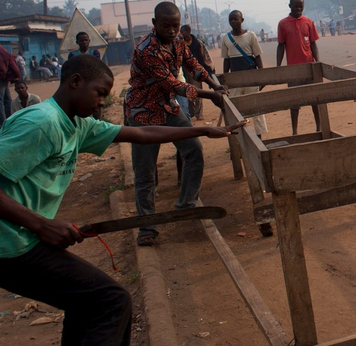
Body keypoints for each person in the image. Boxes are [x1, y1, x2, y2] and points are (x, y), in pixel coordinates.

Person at [0, 54, 244, 345]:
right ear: (76, 82)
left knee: (86, 302)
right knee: (112, 302)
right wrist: (42, 225)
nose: (102, 103)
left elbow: (141, 131)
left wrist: (202, 130)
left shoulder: (77, 125)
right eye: (99, 93)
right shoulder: (43, 123)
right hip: (10, 246)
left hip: (22, 239)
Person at [125, 2, 231, 247]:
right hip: (143, 113)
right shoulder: (147, 50)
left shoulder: (178, 41)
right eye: (166, 26)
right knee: (145, 173)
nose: (172, 30)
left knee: (194, 151)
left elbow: (193, 64)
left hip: (168, 107)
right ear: (155, 24)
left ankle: (186, 204)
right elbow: (173, 84)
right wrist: (209, 95)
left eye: (175, 25)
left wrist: (215, 85)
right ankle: (147, 227)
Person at [277, 0, 321, 135]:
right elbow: (281, 46)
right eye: (296, 6)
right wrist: (278, 67)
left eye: (301, 7)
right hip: (293, 69)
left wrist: (318, 62)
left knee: (315, 99)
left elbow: (313, 44)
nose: (298, 9)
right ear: (290, 6)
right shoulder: (283, 24)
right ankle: (295, 131)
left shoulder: (308, 22)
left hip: (309, 67)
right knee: (294, 102)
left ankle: (319, 127)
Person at [220, 11, 268, 139]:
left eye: (235, 19)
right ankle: (240, 138)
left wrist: (262, 76)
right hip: (234, 79)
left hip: (251, 78)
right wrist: (225, 79)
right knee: (236, 110)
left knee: (256, 108)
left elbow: (257, 56)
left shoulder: (251, 36)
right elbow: (226, 60)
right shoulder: (226, 38)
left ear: (242, 20)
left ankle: (259, 137)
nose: (233, 22)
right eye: (231, 19)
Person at [180, 24, 216, 121]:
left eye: (183, 31)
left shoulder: (197, 43)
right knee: (187, 91)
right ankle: (191, 112)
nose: (181, 33)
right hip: (184, 71)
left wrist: (209, 69)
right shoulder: (180, 44)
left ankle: (198, 113)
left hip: (195, 69)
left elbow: (205, 56)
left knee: (197, 91)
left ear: (188, 31)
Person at [0, 46, 21, 128]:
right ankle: (10, 121)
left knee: (1, 101)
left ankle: (3, 123)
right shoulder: (2, 49)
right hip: (4, 77)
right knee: (7, 100)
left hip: (2, 77)